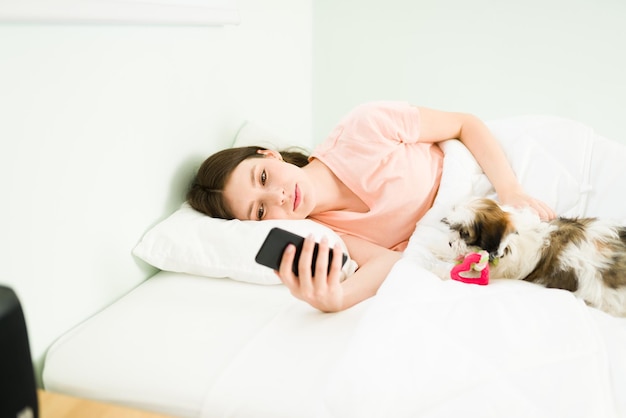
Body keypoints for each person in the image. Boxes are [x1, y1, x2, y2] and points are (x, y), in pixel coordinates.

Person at [187, 101, 555, 313]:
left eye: (264, 178)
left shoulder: (363, 127)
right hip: (473, 229)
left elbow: (464, 124)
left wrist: (510, 189)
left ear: (269, 154)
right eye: (261, 211)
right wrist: (334, 300)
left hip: (496, 173)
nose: (278, 198)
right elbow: (389, 262)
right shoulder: (330, 231)